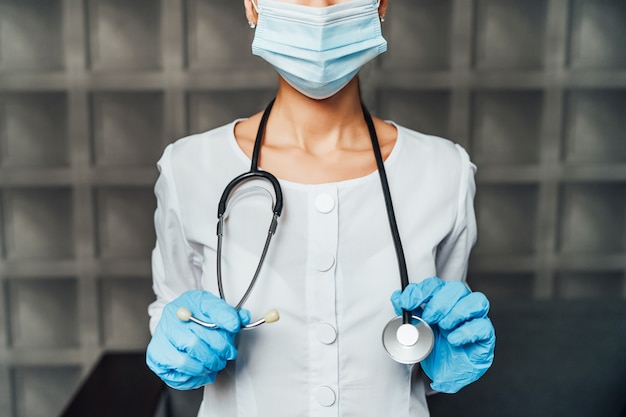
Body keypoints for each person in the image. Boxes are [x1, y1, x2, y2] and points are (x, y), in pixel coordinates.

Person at [145, 0, 496, 416]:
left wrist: (446, 354)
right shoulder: (189, 168)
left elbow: (428, 348)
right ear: (253, 6)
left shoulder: (444, 171)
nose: (321, 8)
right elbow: (173, 310)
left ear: (379, 5)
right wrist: (176, 343)